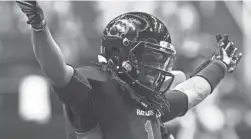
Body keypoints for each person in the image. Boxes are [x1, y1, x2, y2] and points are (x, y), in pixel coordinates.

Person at [16, 1, 242, 139]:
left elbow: (194, 90)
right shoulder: (99, 87)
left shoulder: (150, 101)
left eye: (160, 59)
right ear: (121, 54)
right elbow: (56, 72)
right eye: (150, 58)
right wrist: (39, 27)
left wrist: (220, 65)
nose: (156, 67)